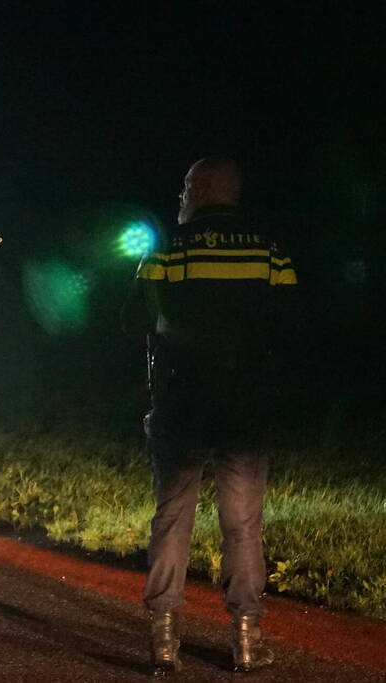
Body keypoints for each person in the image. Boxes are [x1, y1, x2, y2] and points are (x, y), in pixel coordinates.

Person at [122, 157, 298, 675]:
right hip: (246, 407)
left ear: (201, 190)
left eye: (184, 188)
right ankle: (246, 637)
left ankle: (164, 641)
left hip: (180, 402)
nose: (180, 198)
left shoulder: (165, 250)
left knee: (173, 516)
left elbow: (132, 319)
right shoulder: (268, 250)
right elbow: (291, 326)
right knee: (242, 524)